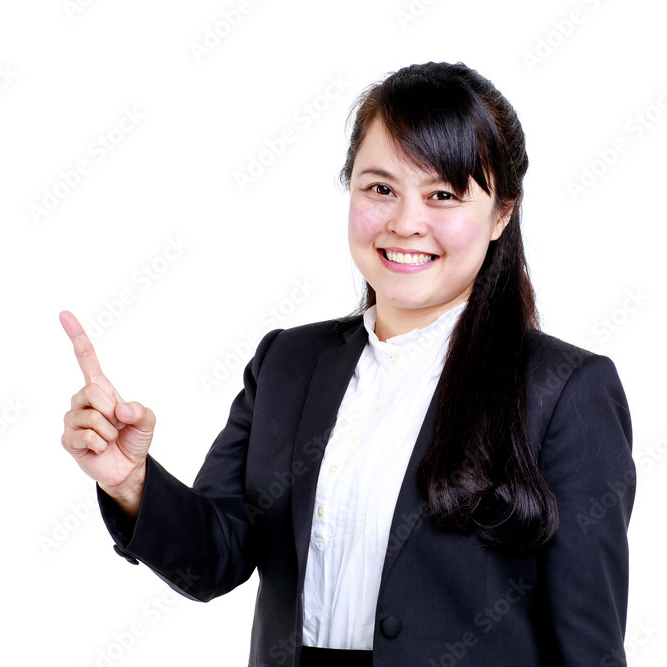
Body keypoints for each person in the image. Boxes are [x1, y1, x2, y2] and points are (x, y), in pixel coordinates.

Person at [60, 61, 635, 667]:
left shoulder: (564, 391)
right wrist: (130, 481)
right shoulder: (286, 363)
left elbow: (588, 644)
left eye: (443, 195)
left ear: (501, 215)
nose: (405, 223)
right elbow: (214, 561)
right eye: (380, 189)